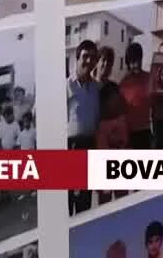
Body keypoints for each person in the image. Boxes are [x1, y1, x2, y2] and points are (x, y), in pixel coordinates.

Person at [68, 40, 100, 215]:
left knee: (84, 200)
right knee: (67, 198)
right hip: (69, 147)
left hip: (89, 145)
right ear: (77, 58)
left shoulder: (95, 87)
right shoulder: (66, 85)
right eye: (85, 56)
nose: (89, 61)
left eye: (92, 58)